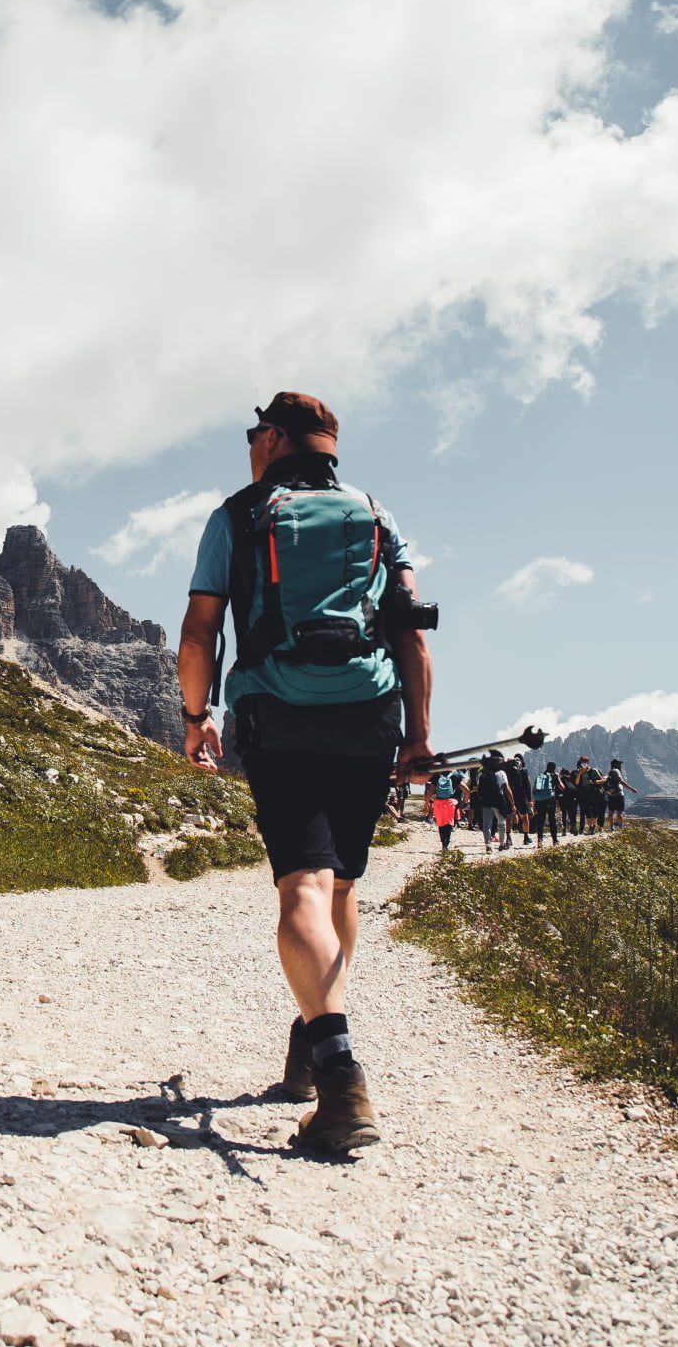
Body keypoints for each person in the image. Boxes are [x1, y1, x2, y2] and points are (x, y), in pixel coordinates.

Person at [177, 393, 435, 1154]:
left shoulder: (239, 515)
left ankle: (341, 1077)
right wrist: (418, 736)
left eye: (256, 433)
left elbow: (199, 631)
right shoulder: (379, 515)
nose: (250, 444)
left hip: (278, 713)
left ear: (279, 440)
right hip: (370, 713)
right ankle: (311, 1037)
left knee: (303, 884)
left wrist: (197, 719)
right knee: (342, 886)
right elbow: (412, 633)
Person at [472, 752, 513, 854]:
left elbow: (478, 789)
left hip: (486, 801)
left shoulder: (482, 773)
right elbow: (506, 788)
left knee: (487, 824)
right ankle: (501, 844)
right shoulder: (501, 773)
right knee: (501, 823)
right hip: (498, 800)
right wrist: (512, 803)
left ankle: (488, 846)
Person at [506, 751, 534, 846]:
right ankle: (526, 837)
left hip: (509, 795)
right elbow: (527, 785)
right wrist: (529, 799)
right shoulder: (523, 770)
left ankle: (508, 838)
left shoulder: (508, 769)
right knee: (524, 817)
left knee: (509, 816)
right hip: (521, 795)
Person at [532, 760, 561, 847]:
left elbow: (534, 791)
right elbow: (562, 787)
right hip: (550, 801)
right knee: (552, 820)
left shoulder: (540, 776)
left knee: (540, 821)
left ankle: (540, 841)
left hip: (539, 801)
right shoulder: (554, 776)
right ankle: (555, 840)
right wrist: (558, 777)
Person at [430, 769, 460, 852]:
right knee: (449, 823)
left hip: (438, 802)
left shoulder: (436, 777)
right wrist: (464, 802)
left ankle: (443, 844)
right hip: (450, 803)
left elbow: (430, 791)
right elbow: (467, 790)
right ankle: (446, 845)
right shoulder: (454, 777)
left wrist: (426, 804)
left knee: (441, 823)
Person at [603, 758, 636, 829]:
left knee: (610, 812)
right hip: (618, 795)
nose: (620, 766)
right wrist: (631, 788)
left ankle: (611, 828)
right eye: (619, 764)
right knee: (619, 813)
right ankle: (621, 828)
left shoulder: (610, 773)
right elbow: (621, 781)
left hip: (610, 795)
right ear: (616, 765)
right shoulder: (617, 771)